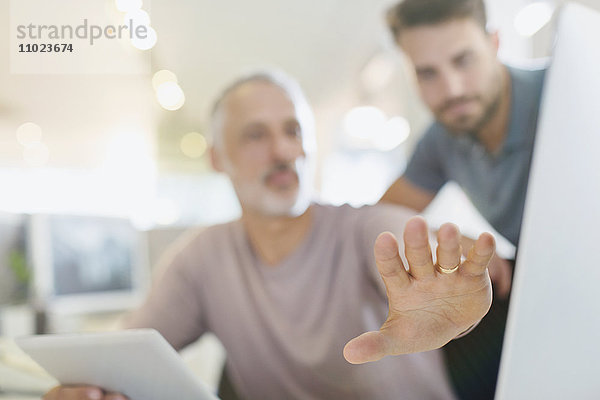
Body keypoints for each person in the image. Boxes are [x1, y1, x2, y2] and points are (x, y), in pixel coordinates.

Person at [44, 70, 495, 400]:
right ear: (217, 158)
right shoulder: (202, 258)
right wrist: (84, 385)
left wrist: (446, 277)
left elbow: (410, 246)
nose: (283, 152)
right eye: (256, 135)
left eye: (293, 131)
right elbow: (122, 355)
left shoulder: (364, 227)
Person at [381, 1, 545, 398]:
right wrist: (442, 242)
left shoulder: (567, 90)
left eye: (464, 60)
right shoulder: (442, 138)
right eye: (428, 74)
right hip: (534, 286)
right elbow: (380, 215)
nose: (451, 89)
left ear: (494, 43)